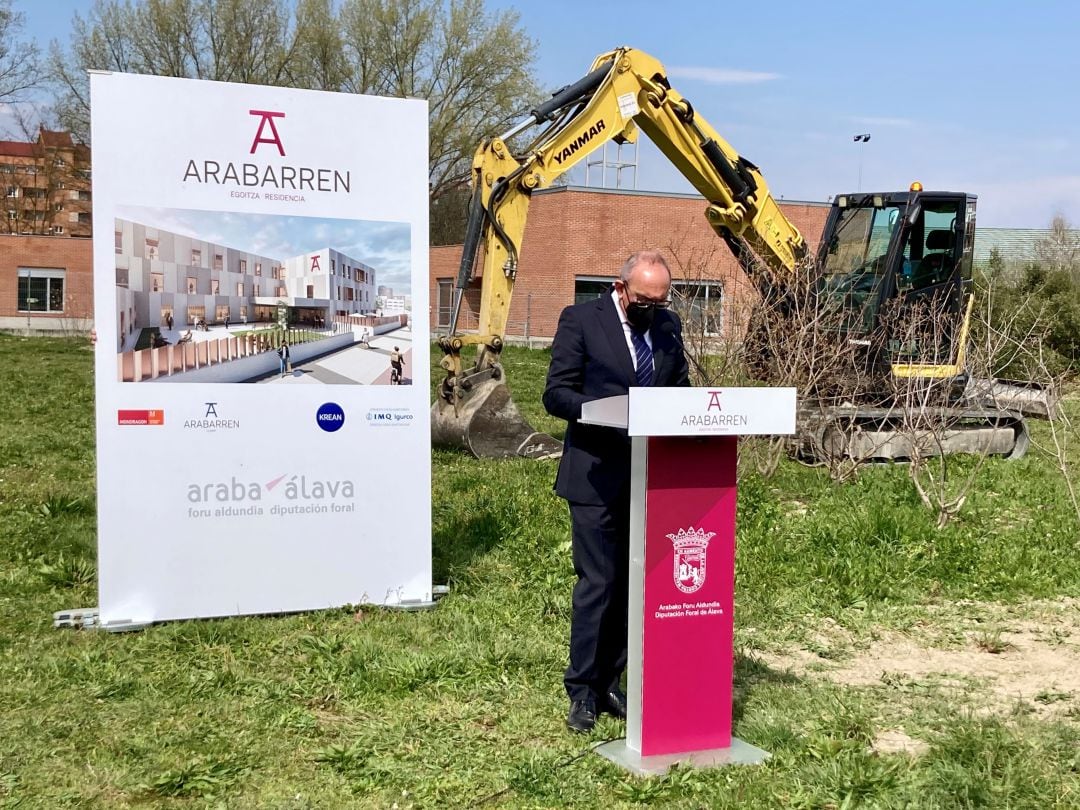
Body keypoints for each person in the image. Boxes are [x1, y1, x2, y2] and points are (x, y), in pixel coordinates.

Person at [542, 250, 690, 733]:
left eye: (661, 300)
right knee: (598, 585)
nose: (653, 307)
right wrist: (609, 411)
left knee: (634, 587)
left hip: (649, 477)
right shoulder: (582, 319)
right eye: (645, 299)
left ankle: (611, 682)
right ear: (621, 288)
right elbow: (556, 392)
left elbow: (680, 388)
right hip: (595, 474)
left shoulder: (667, 328)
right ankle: (581, 690)